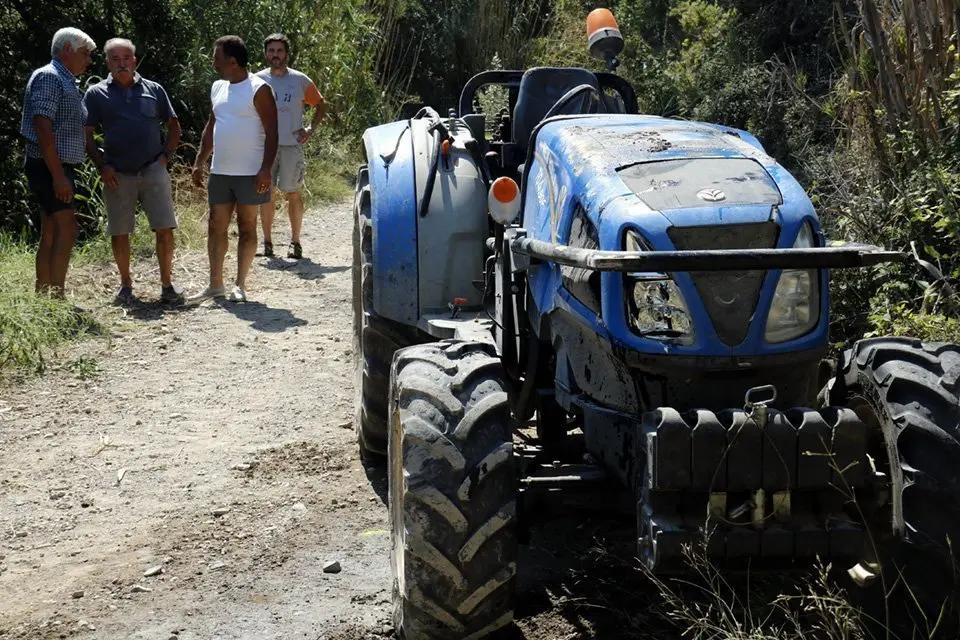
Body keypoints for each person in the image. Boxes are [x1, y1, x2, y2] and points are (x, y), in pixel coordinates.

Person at [83, 38, 184, 304]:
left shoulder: (154, 89)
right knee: (119, 230)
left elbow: (174, 125)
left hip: (153, 169)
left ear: (134, 60)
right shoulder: (96, 94)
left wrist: (165, 158)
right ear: (107, 63)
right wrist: (101, 165)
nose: (121, 64)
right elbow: (86, 134)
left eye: (126, 58)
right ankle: (126, 286)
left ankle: (167, 286)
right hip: (116, 174)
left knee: (164, 228)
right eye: (115, 59)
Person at [190, 35, 278, 302]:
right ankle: (215, 284)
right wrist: (199, 161)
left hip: (251, 173)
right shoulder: (218, 87)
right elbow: (211, 126)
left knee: (247, 226)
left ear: (232, 61)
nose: (213, 63)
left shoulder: (259, 88)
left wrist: (265, 169)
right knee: (215, 224)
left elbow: (273, 131)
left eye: (216, 58)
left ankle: (239, 284)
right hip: (221, 171)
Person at [20, 27, 96, 297]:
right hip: (49, 166)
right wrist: (59, 176)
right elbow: (42, 127)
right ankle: (56, 296)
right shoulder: (50, 77)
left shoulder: (65, 80)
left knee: (52, 230)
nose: (89, 60)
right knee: (67, 228)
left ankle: (45, 296)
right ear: (67, 50)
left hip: (54, 166)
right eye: (85, 54)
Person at [254, 33, 326, 259]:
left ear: (287, 54)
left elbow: (321, 104)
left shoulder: (300, 80)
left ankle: (295, 242)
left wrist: (310, 129)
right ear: (266, 54)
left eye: (280, 51)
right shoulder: (255, 80)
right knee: (266, 193)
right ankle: (267, 243)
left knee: (292, 193)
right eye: (272, 51)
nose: (276, 55)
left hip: (290, 146)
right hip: (264, 146)